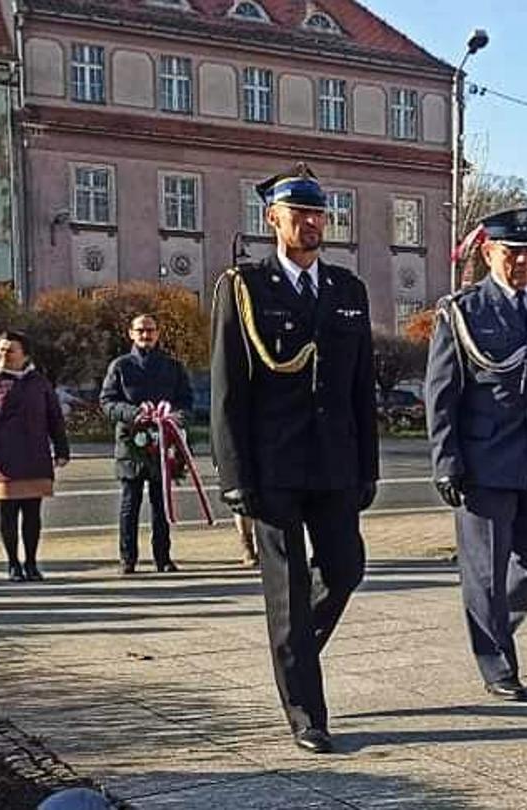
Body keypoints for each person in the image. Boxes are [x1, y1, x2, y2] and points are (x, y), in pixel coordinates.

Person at [210, 165, 381, 754]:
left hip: (335, 463)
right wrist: (234, 476)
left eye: (318, 214)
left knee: (345, 571)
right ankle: (307, 711)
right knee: (285, 589)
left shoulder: (347, 291)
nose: (311, 224)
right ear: (272, 220)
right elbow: (228, 388)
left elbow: (363, 389)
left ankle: (293, 649)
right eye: (298, 214)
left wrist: (368, 468)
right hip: (274, 467)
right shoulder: (244, 288)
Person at [425, 206, 527, 701]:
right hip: (484, 463)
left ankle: (492, 625)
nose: (522, 262)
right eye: (511, 252)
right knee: (486, 569)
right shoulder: (463, 311)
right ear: (488, 252)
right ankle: (497, 662)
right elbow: (442, 392)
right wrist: (446, 460)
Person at [0, 331, 70, 583]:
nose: (3, 354)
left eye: (10, 350)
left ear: (24, 355)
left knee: (33, 513)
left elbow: (54, 418)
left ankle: (32, 563)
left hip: (35, 456)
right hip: (4, 459)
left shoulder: (38, 382)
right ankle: (13, 563)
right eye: (0, 349)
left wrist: (61, 449)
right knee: (9, 513)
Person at [99, 314, 193, 575]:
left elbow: (186, 402)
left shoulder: (172, 366)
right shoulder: (121, 366)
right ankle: (127, 559)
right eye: (140, 330)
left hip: (164, 443)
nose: (145, 335)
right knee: (130, 503)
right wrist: (132, 414)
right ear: (131, 333)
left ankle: (163, 558)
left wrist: (176, 417)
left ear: (158, 333)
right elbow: (107, 402)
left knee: (161, 504)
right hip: (131, 443)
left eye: (150, 330)